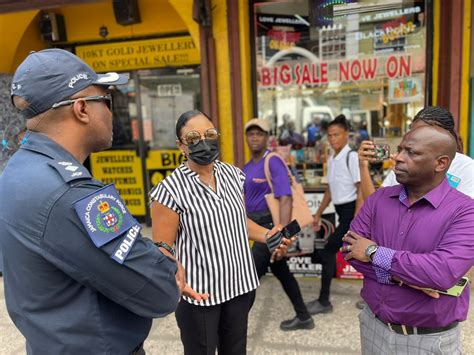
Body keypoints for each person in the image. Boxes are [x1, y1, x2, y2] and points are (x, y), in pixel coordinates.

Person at [0, 49, 183, 354]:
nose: (112, 111)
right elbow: (161, 293)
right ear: (82, 108)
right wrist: (164, 259)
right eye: (107, 101)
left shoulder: (15, 172)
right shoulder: (72, 195)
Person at [149, 110, 288, 355]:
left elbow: (237, 221)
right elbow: (162, 247)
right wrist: (173, 275)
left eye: (210, 134)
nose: (204, 141)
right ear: (181, 146)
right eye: (193, 137)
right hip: (200, 295)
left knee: (235, 350)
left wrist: (268, 234)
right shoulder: (169, 190)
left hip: (239, 286)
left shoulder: (234, 175)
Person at [342, 125, 474, 354]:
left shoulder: (465, 211)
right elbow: (349, 249)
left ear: (440, 163)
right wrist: (408, 280)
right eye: (400, 149)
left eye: (411, 153)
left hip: (429, 339)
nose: (398, 158)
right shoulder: (379, 199)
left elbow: (442, 273)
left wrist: (374, 252)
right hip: (374, 327)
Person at [243, 118, 314, 331]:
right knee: (282, 271)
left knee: (248, 275)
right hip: (255, 227)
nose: (255, 137)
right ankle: (304, 316)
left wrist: (280, 235)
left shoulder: (272, 160)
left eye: (260, 133)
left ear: (267, 138)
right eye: (251, 133)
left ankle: (232, 326)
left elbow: (285, 197)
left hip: (270, 227)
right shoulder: (247, 166)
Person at [306, 114, 361, 314]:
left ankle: (324, 301)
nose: (332, 139)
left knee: (329, 251)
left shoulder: (351, 156)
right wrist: (318, 213)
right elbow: (330, 190)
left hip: (352, 212)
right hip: (341, 212)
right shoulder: (331, 159)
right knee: (355, 253)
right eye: (330, 135)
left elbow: (360, 188)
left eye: (337, 134)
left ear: (346, 135)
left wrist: (356, 219)